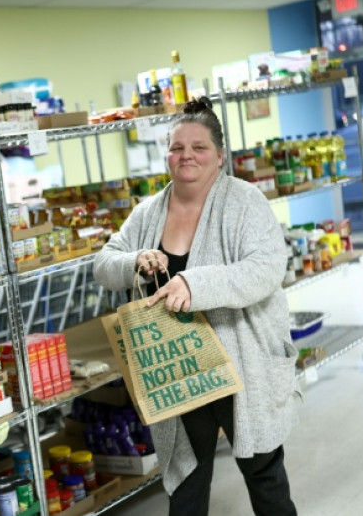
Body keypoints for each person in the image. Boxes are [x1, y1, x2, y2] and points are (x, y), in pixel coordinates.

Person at [93, 97, 301, 516]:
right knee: (186, 478)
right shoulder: (148, 211)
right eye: (176, 147)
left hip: (241, 363)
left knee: (262, 471)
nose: (186, 155)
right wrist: (135, 261)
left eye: (198, 147)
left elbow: (266, 269)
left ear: (220, 156)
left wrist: (194, 282)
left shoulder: (245, 202)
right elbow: (103, 263)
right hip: (178, 367)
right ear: (166, 154)